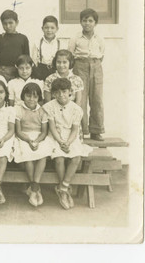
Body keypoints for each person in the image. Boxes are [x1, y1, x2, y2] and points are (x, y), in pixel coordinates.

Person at [42, 78, 92, 210]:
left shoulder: (76, 109)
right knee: (59, 158)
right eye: (57, 92)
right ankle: (63, 189)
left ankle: (63, 187)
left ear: (70, 92)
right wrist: (60, 142)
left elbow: (75, 129)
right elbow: (52, 127)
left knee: (76, 157)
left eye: (64, 92)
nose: (61, 95)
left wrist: (68, 142)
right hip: (55, 136)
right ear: (53, 94)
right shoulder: (50, 106)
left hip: (70, 136)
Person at [68, 8, 105, 141]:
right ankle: (82, 130)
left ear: (95, 23)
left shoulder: (99, 39)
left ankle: (96, 130)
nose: (87, 23)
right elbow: (70, 55)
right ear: (80, 22)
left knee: (97, 99)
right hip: (80, 66)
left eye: (90, 21)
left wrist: (94, 64)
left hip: (96, 67)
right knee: (80, 99)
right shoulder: (75, 38)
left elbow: (101, 56)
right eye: (85, 20)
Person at [13, 83, 53, 207]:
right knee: (28, 155)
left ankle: (33, 187)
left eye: (35, 97)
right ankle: (35, 186)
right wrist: (29, 140)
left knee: (42, 155)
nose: (31, 99)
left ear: (39, 98)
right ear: (23, 96)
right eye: (28, 96)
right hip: (24, 137)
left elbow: (44, 131)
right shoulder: (18, 109)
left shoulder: (42, 110)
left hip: (39, 137)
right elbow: (18, 131)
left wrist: (37, 141)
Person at [0, 9, 30, 81]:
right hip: (2, 72)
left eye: (10, 23)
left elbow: (26, 58)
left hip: (18, 71)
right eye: (5, 23)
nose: (8, 26)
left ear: (17, 22)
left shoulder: (23, 38)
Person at [31, 16, 61, 81]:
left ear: (57, 29)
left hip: (55, 71)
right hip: (41, 72)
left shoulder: (60, 43)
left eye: (52, 28)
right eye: (46, 28)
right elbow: (34, 60)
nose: (49, 30)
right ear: (42, 28)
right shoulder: (37, 43)